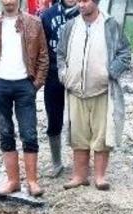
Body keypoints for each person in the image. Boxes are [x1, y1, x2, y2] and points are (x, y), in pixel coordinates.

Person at [56, 0, 131, 191]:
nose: (81, 4)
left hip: (102, 91)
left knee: (102, 135)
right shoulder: (70, 26)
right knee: (78, 135)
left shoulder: (110, 24)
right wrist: (64, 74)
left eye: (85, 0)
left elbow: (124, 53)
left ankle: (99, 177)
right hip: (75, 91)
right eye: (79, 1)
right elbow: (61, 54)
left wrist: (110, 73)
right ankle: (79, 176)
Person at [0, 0, 49, 196]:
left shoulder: (34, 23)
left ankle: (32, 181)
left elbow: (43, 55)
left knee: (29, 133)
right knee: (5, 132)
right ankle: (12, 180)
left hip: (25, 84)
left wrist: (36, 84)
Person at [40, 0, 78, 177]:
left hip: (78, 74)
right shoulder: (48, 16)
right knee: (54, 117)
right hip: (54, 73)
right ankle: (56, 162)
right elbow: (42, 47)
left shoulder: (85, 13)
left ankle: (80, 164)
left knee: (80, 119)